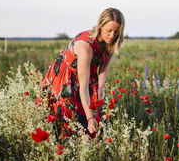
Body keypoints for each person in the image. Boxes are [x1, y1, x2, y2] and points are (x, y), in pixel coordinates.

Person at [38, 8, 125, 139]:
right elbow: (83, 88)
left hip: (85, 75)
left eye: (116, 32)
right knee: (66, 120)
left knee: (92, 118)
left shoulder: (110, 43)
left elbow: (103, 67)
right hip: (66, 76)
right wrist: (89, 117)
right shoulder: (86, 48)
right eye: (109, 31)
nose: (112, 35)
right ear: (100, 26)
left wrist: (101, 86)